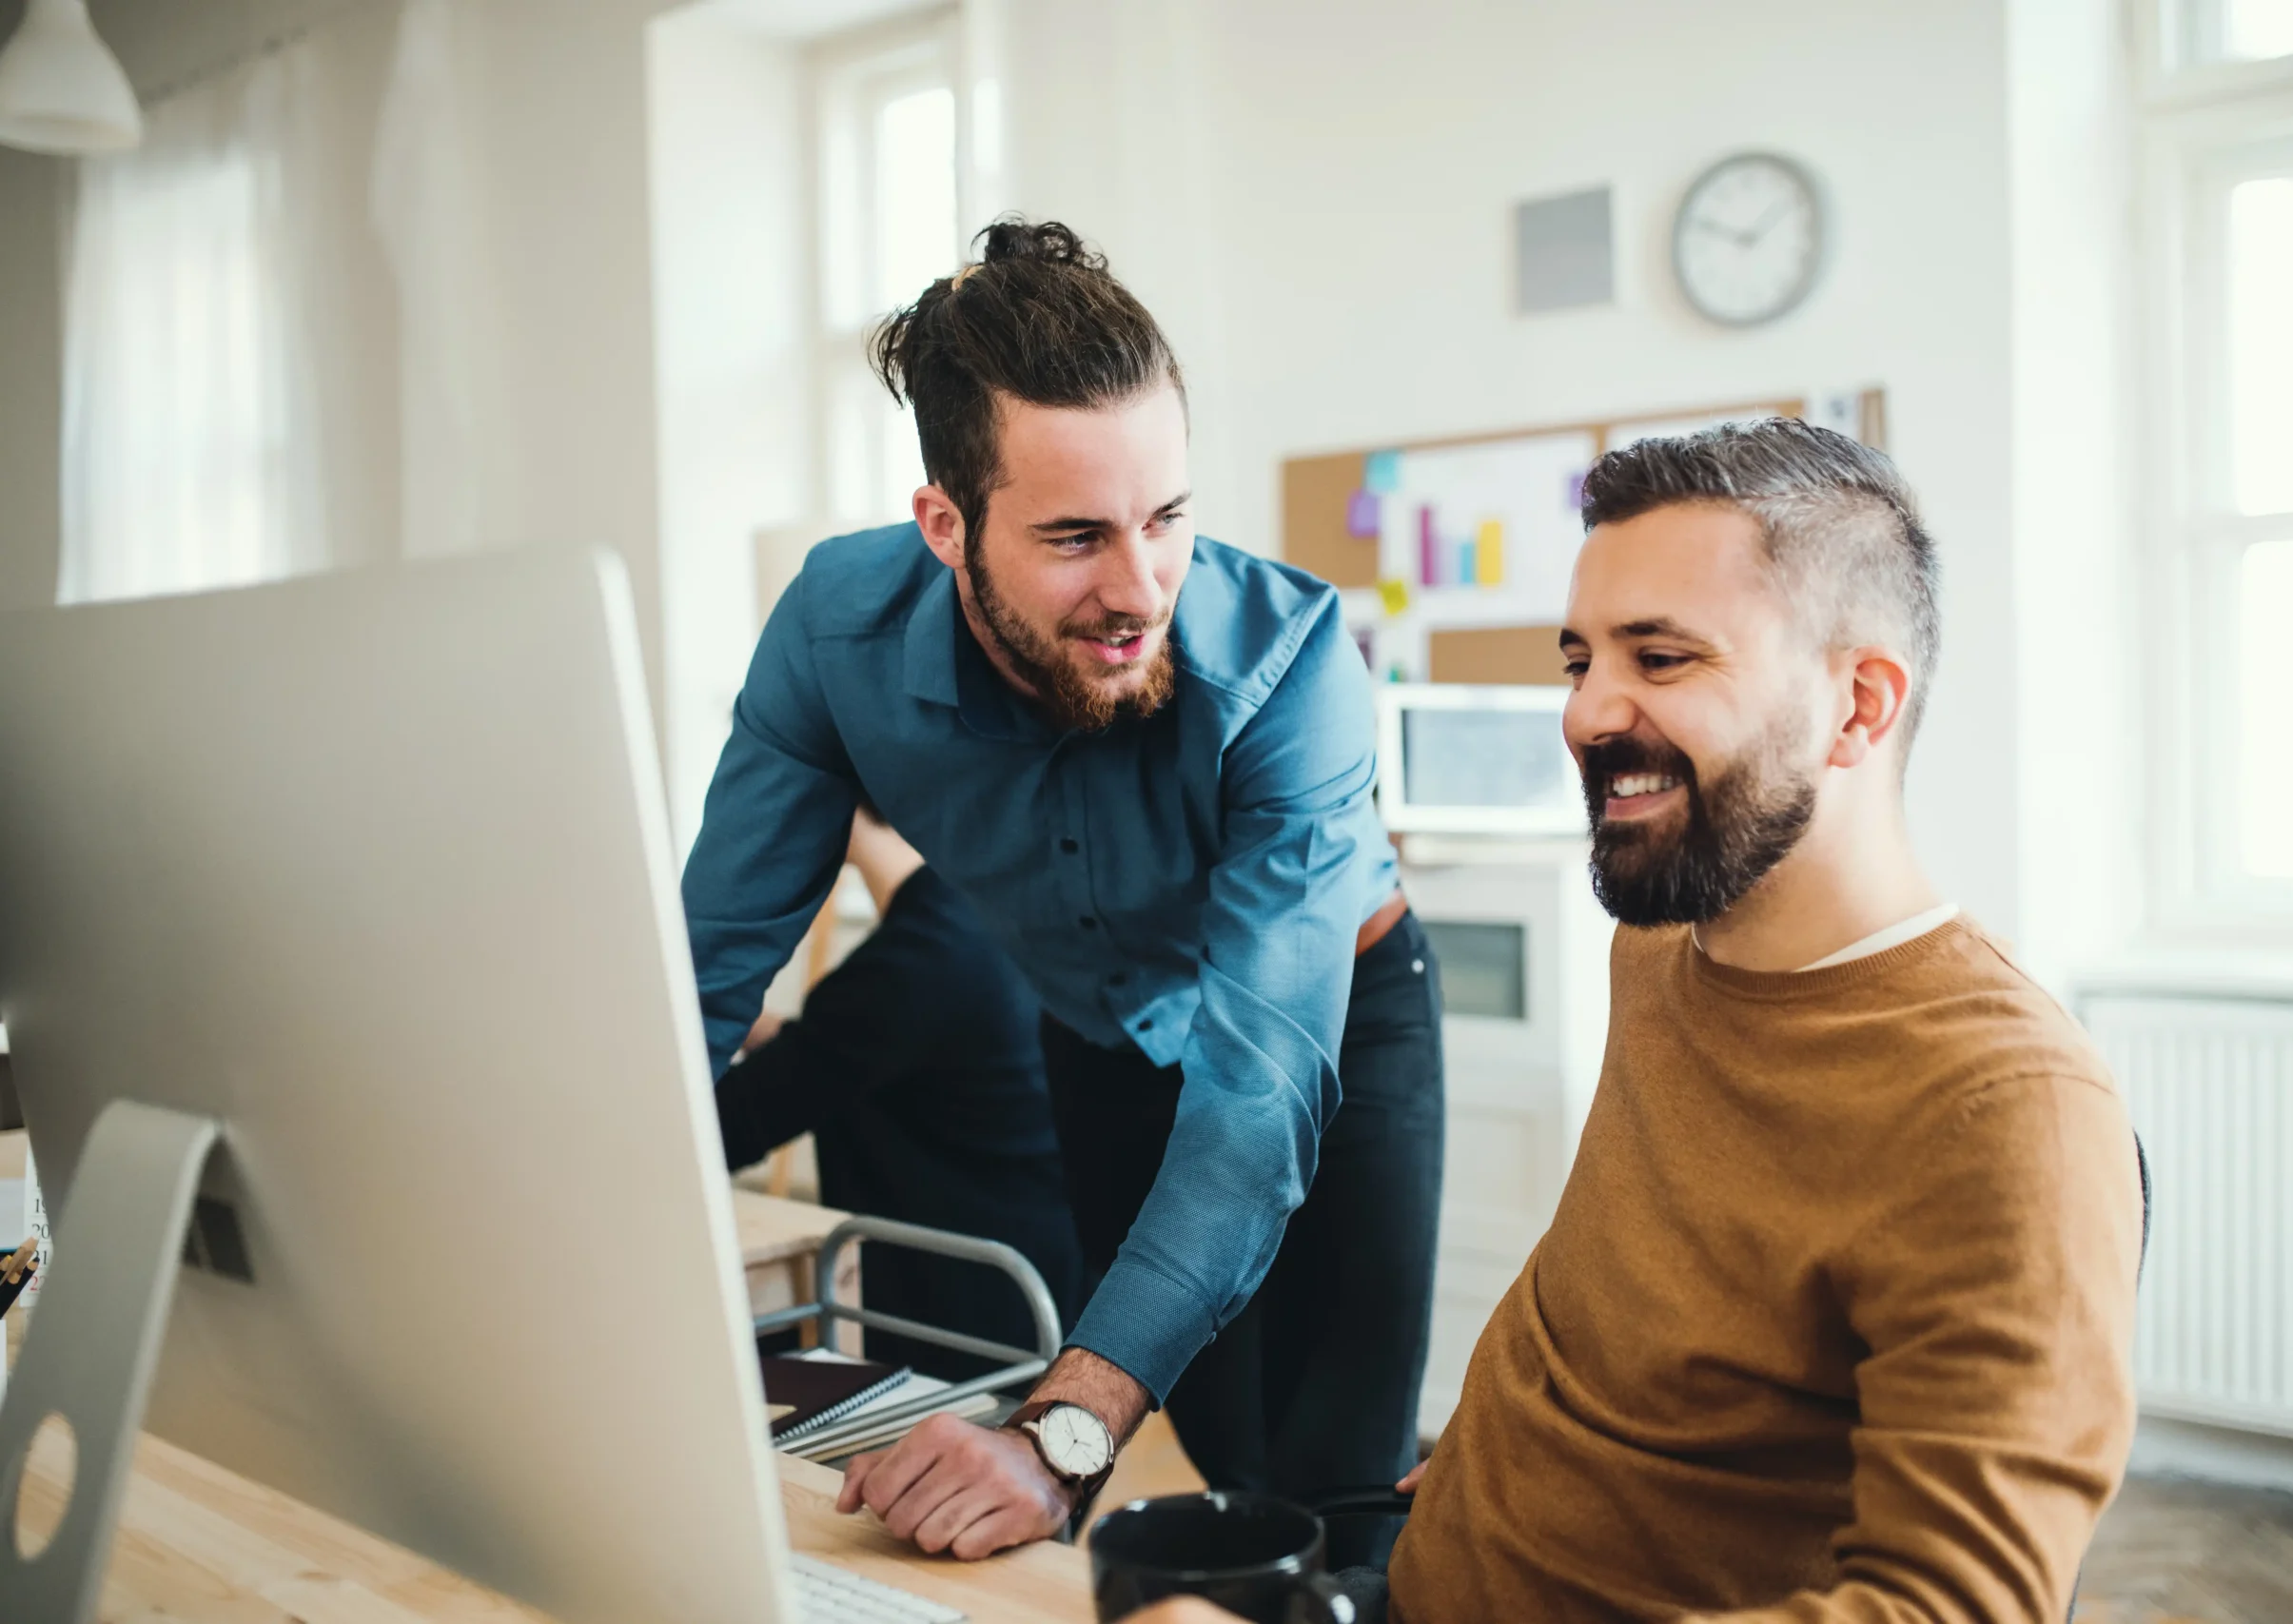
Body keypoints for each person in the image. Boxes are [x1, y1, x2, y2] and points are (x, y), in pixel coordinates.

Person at [681, 219, 1443, 1565]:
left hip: (1333, 1020)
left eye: (1167, 518)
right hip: (1096, 1032)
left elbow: (1252, 1105)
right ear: (944, 525)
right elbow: (704, 975)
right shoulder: (832, 638)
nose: (1140, 587)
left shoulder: (1293, 665)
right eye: (1078, 534)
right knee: (1225, 1452)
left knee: (1333, 1474)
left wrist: (1060, 1431)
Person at [1296, 420, 2135, 1623]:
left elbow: (1949, 1609)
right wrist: (1505, 1472)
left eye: (1663, 658)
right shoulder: (1661, 936)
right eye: (1579, 658)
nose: (1588, 713)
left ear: (1857, 706)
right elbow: (1627, 1293)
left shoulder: (2007, 1112)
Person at [715, 807, 1087, 1376]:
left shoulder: (920, 959)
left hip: (963, 1330)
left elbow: (729, 1125)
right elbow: (857, 1057)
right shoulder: (989, 918)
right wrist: (758, 1030)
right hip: (1042, 1294)